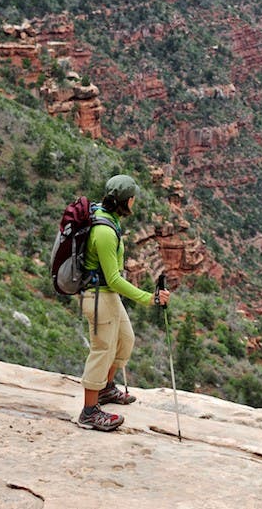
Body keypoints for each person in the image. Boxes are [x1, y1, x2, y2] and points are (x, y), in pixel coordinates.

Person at [77, 174, 171, 431]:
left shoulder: (109, 218)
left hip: (107, 295)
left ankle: (106, 389)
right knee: (101, 350)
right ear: (125, 201)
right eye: (133, 199)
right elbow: (114, 279)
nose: (134, 203)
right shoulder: (105, 231)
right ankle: (89, 412)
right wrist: (148, 298)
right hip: (98, 297)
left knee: (125, 340)